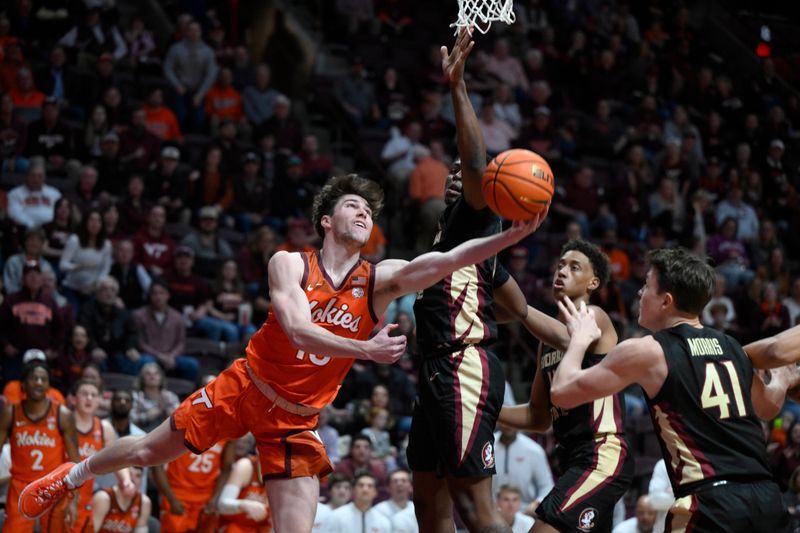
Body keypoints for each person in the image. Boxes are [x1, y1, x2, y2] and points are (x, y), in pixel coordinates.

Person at [19, 167, 541, 533]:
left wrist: (505, 238)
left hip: (295, 420)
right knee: (145, 451)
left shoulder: (378, 279)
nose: (363, 213)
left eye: (368, 210)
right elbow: (295, 329)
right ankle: (71, 475)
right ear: (327, 221)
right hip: (246, 387)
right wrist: (364, 348)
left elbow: (444, 261)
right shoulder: (289, 263)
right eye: (352, 206)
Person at [550, 248, 799, 531]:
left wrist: (580, 339)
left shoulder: (647, 351)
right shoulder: (730, 346)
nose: (639, 293)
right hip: (766, 499)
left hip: (711, 504)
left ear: (666, 301)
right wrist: (782, 379)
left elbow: (562, 392)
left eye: (646, 286)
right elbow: (767, 406)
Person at [407, 28, 540, 533]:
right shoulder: (452, 247)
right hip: (436, 371)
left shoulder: (477, 221)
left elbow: (479, 165)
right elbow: (517, 307)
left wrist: (458, 87)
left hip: (462, 365)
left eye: (471, 174)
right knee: (427, 497)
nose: (462, 176)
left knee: (476, 510)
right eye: (456, 172)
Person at [498, 240, 634, 532]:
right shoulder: (544, 344)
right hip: (572, 459)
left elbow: (567, 336)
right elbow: (538, 417)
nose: (562, 271)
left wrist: (517, 305)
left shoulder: (595, 318)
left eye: (574, 267)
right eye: (560, 265)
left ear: (593, 282)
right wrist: (485, 410)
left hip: (601, 453)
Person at [1, 359, 81, 532]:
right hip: (20, 487)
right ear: (23, 384)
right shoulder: (10, 413)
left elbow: (75, 462)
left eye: (43, 379)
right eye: (34, 378)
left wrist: (74, 500)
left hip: (53, 487)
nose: (38, 382)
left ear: (48, 386)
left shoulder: (63, 414)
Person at [70, 380, 132, 533]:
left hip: (86, 497)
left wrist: (126, 480)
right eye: (84, 394)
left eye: (93, 395)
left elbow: (117, 458)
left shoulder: (104, 428)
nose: (89, 398)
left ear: (99, 400)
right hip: (60, 494)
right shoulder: (64, 421)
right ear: (74, 398)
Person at [153, 439, 235, 533]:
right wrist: (171, 499)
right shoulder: (181, 426)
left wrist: (214, 499)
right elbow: (157, 464)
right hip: (178, 495)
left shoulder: (228, 433)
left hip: (206, 499)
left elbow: (227, 467)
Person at [491, 426, 554, 515]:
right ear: (498, 420)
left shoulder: (534, 449)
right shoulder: (487, 446)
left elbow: (547, 485)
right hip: (490, 512)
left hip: (525, 512)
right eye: (506, 420)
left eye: (513, 420)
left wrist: (537, 504)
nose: (509, 425)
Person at [217, 450, 272, 533]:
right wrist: (244, 505)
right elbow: (222, 505)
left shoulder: (286, 472)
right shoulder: (245, 465)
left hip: (261, 527)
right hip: (235, 526)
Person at [92, 466, 151, 533]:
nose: (133, 480)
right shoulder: (103, 498)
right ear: (122, 475)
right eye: (129, 474)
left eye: (138, 476)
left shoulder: (144, 502)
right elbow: (90, 530)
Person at [327, 473, 391, 533]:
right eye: (361, 485)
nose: (365, 489)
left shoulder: (383, 521)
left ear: (375, 492)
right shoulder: (337, 516)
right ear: (353, 490)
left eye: (370, 486)